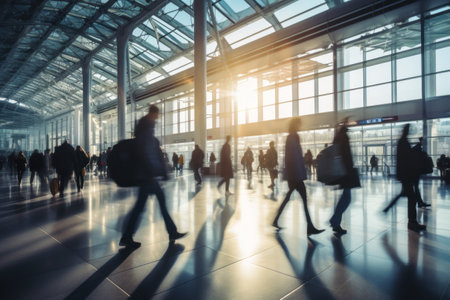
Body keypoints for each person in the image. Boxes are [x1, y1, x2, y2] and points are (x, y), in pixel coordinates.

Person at [120, 105, 187, 248]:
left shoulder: (145, 129)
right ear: (153, 114)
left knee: (151, 206)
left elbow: (149, 153)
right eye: (157, 115)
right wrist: (154, 172)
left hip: (147, 176)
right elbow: (146, 154)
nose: (158, 118)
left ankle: (171, 231)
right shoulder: (146, 130)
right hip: (147, 177)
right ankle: (127, 236)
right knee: (145, 207)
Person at [272, 117, 324, 236]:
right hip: (295, 175)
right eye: (299, 124)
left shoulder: (293, 137)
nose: (300, 126)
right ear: (295, 125)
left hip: (295, 174)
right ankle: (309, 227)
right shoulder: (291, 138)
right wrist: (296, 174)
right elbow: (291, 158)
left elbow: (295, 157)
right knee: (303, 200)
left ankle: (275, 220)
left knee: (290, 199)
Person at [329, 118, 360, 235]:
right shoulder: (343, 136)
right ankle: (335, 220)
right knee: (346, 198)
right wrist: (349, 169)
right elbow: (346, 155)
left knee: (345, 197)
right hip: (345, 170)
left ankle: (336, 222)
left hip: (342, 170)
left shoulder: (339, 135)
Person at [396, 124, 426, 232]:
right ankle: (412, 222)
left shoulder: (402, 141)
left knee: (410, 196)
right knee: (412, 198)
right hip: (406, 175)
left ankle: (412, 221)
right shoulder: (403, 142)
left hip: (405, 175)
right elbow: (405, 158)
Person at [412, 137, 431, 208]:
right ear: (421, 141)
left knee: (416, 187)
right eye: (424, 141)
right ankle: (419, 202)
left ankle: (419, 202)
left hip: (415, 171)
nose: (425, 143)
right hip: (415, 171)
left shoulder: (417, 148)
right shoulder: (418, 148)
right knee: (416, 187)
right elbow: (417, 158)